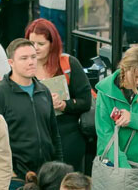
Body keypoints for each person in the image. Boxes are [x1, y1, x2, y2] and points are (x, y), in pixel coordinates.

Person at [0, 39, 63, 188]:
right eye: (24, 58)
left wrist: (58, 167)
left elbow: (54, 133)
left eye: (33, 57)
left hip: (47, 176)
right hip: (16, 179)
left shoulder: (44, 91)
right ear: (11, 62)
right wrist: (11, 172)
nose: (31, 62)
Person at [25, 19, 90, 172]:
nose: (35, 48)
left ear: (52, 44)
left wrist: (64, 104)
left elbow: (85, 101)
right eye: (31, 43)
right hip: (34, 135)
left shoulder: (68, 64)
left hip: (67, 134)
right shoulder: (23, 66)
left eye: (41, 44)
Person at [94, 46, 138, 174]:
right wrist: (124, 167)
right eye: (135, 76)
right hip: (115, 165)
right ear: (124, 68)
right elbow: (105, 134)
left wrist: (134, 119)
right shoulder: (105, 90)